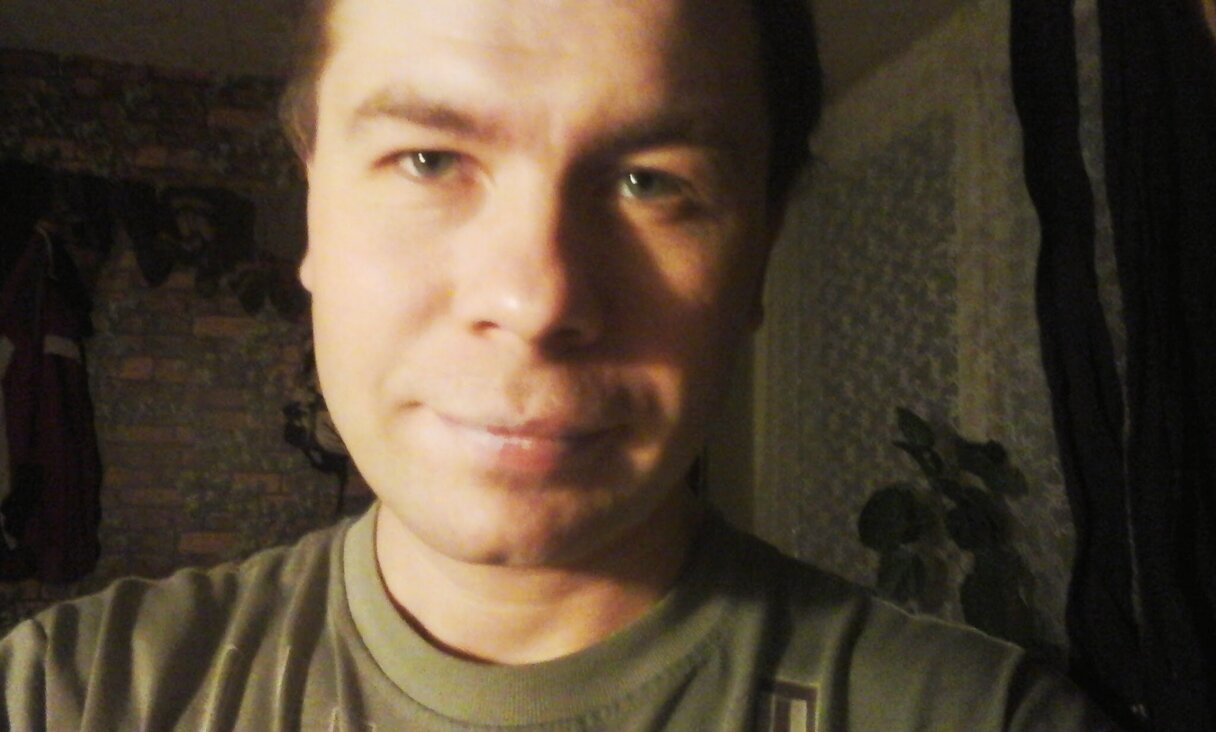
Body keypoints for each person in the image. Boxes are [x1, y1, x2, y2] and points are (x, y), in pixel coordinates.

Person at [0, 0, 1118, 729]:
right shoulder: (62, 696)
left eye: (649, 183)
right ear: (313, 209)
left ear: (761, 249)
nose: (534, 301)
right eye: (427, 159)